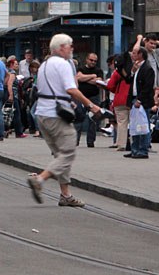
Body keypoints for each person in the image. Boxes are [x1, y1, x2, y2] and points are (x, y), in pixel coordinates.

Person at [27, 33, 103, 208]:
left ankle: (65, 195)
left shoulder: (44, 65)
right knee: (68, 152)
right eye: (70, 46)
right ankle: (39, 180)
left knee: (60, 155)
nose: (72, 49)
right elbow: (72, 89)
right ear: (61, 48)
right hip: (56, 116)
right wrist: (91, 105)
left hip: (42, 114)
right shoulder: (63, 64)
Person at [126, 46, 155, 159]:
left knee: (143, 125)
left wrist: (140, 99)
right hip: (133, 98)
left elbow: (148, 86)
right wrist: (132, 72)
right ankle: (135, 149)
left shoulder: (147, 68)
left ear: (140, 55)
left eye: (134, 53)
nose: (132, 55)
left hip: (142, 101)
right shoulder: (136, 67)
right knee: (134, 125)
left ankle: (143, 149)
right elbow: (128, 81)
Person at [106, 53, 133, 151]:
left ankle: (121, 144)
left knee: (121, 122)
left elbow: (110, 86)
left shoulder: (117, 72)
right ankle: (134, 143)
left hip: (120, 99)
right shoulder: (133, 71)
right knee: (133, 122)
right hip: (131, 99)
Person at [75, 52, 103, 147]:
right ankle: (75, 140)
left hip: (94, 97)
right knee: (79, 118)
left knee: (93, 119)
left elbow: (98, 82)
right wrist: (92, 76)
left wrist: (85, 78)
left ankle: (90, 141)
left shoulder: (99, 70)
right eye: (91, 60)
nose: (93, 62)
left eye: (95, 61)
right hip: (81, 97)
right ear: (87, 59)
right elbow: (78, 78)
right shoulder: (81, 69)